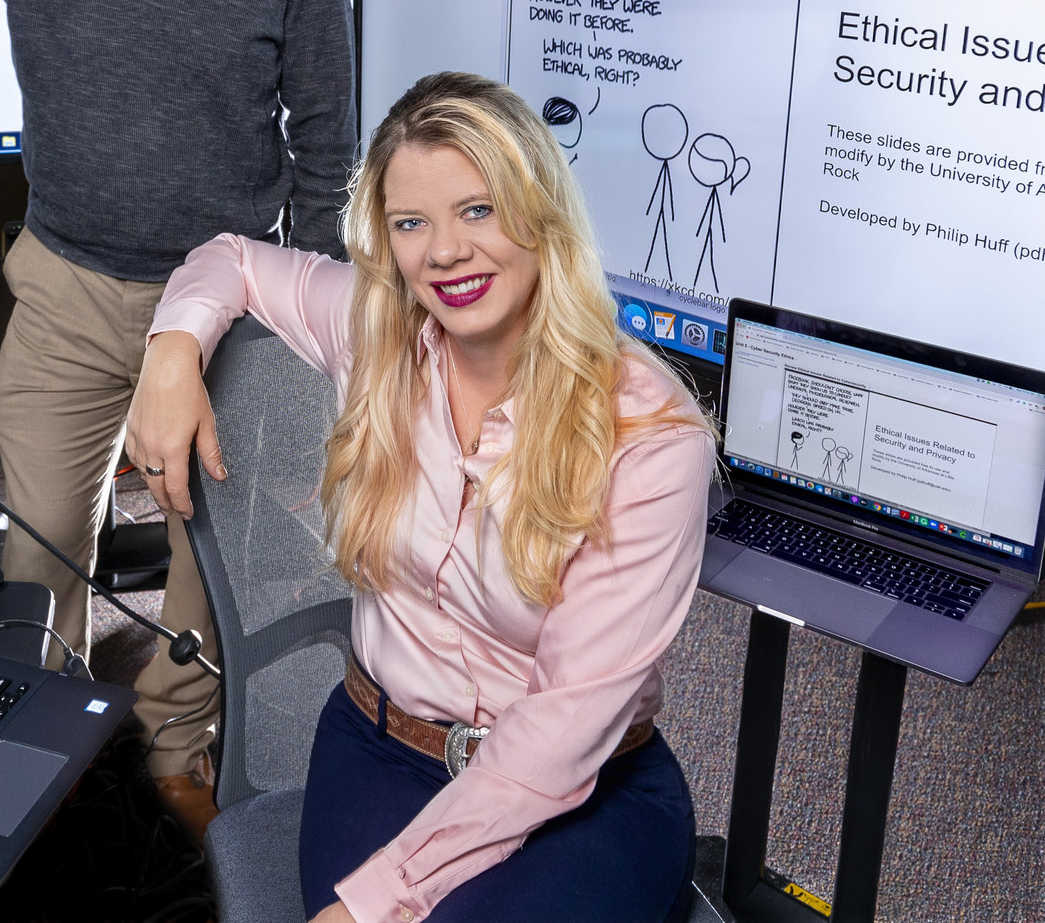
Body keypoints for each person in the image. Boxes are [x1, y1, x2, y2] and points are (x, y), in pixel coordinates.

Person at [123, 72, 713, 922]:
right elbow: (233, 259)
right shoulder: (378, 332)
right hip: (384, 750)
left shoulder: (650, 435)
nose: (444, 251)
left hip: (583, 786)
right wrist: (171, 352)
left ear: (539, 212)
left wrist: (379, 902)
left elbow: (559, 732)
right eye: (412, 222)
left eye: (478, 209)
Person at [0, 0, 358, 837]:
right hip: (68, 284)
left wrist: (311, 303)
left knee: (210, 562)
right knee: (33, 540)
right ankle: (39, 741)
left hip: (224, 304)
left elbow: (324, 129)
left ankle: (178, 743)